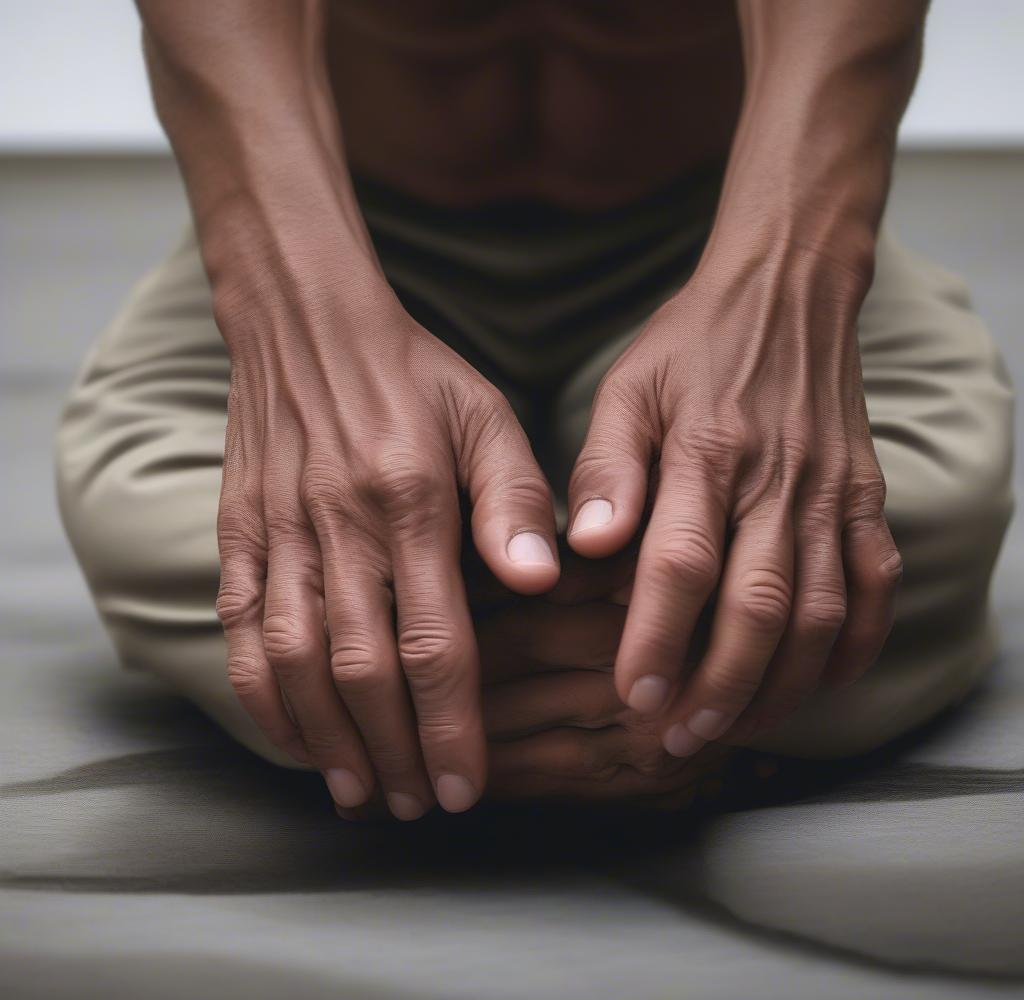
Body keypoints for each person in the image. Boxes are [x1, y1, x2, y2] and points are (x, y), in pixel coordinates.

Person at [56, 0, 1013, 821]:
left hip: (726, 223)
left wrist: (790, 277)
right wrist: (296, 314)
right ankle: (681, 689)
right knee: (153, 515)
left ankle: (423, 712)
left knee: (917, 511)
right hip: (341, 229)